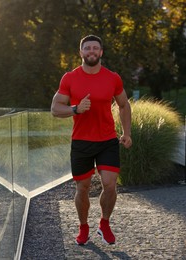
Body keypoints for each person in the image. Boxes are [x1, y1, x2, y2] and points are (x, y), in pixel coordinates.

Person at [51, 35, 132, 245]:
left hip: (107, 140)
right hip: (81, 141)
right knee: (83, 188)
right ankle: (84, 226)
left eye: (95, 48)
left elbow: (124, 105)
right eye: (87, 48)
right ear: (81, 53)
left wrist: (126, 133)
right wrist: (75, 109)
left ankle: (104, 224)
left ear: (101, 52)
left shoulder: (113, 78)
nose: (92, 51)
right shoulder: (69, 78)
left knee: (110, 184)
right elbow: (55, 108)